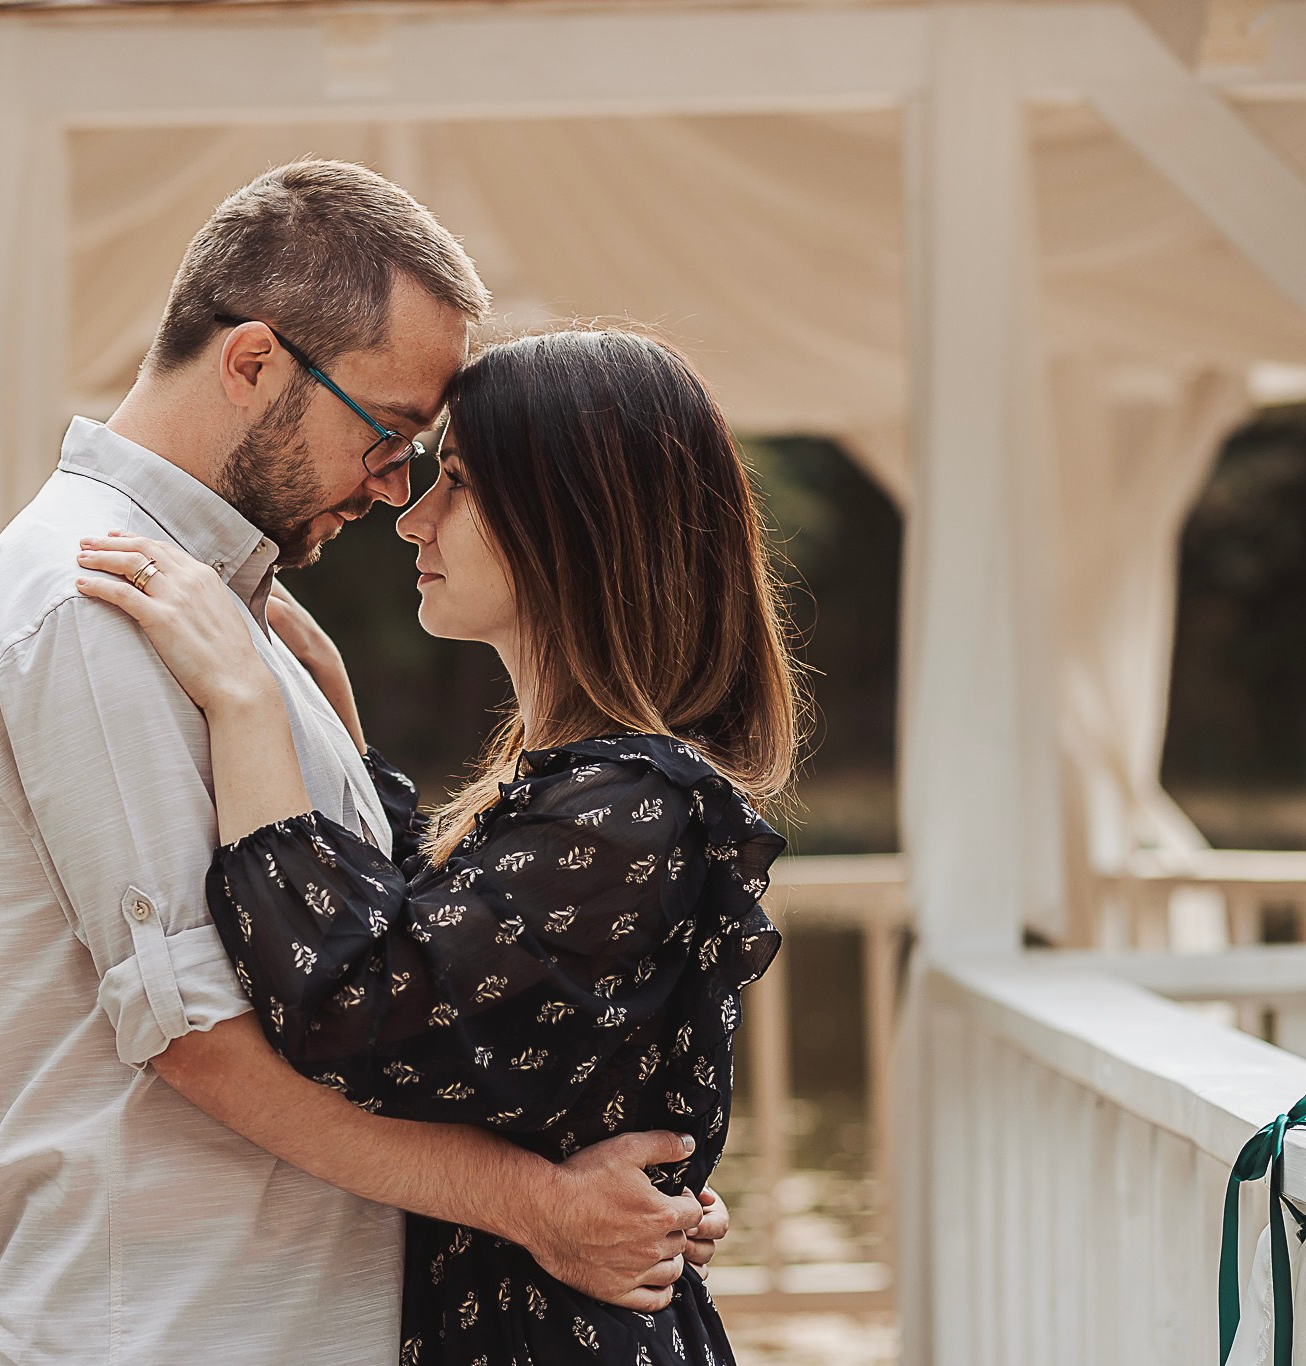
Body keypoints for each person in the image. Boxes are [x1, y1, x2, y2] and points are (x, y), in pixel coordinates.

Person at [0, 163, 727, 1365]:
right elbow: (199, 1035)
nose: (395, 486)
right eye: (390, 431)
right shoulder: (89, 602)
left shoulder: (227, 616)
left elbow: (418, 975)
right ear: (253, 363)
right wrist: (542, 1209)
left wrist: (618, 1168)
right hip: (169, 1323)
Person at [74, 325, 796, 1364]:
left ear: (570, 521)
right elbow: (449, 955)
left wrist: (242, 702)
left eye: (454, 480)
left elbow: (352, 1005)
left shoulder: (633, 805)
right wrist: (322, 703)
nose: (412, 515)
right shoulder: (592, 793)